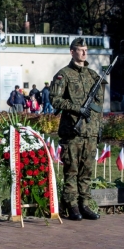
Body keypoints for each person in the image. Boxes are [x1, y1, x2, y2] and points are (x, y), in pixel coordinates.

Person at [50, 37, 102, 221]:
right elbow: (54, 100)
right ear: (72, 52)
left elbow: (98, 105)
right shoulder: (63, 75)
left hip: (90, 132)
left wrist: (98, 127)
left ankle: (84, 204)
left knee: (86, 170)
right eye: (81, 50)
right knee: (71, 170)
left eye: (86, 50)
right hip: (73, 131)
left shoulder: (93, 75)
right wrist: (76, 108)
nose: (84, 53)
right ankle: (71, 205)